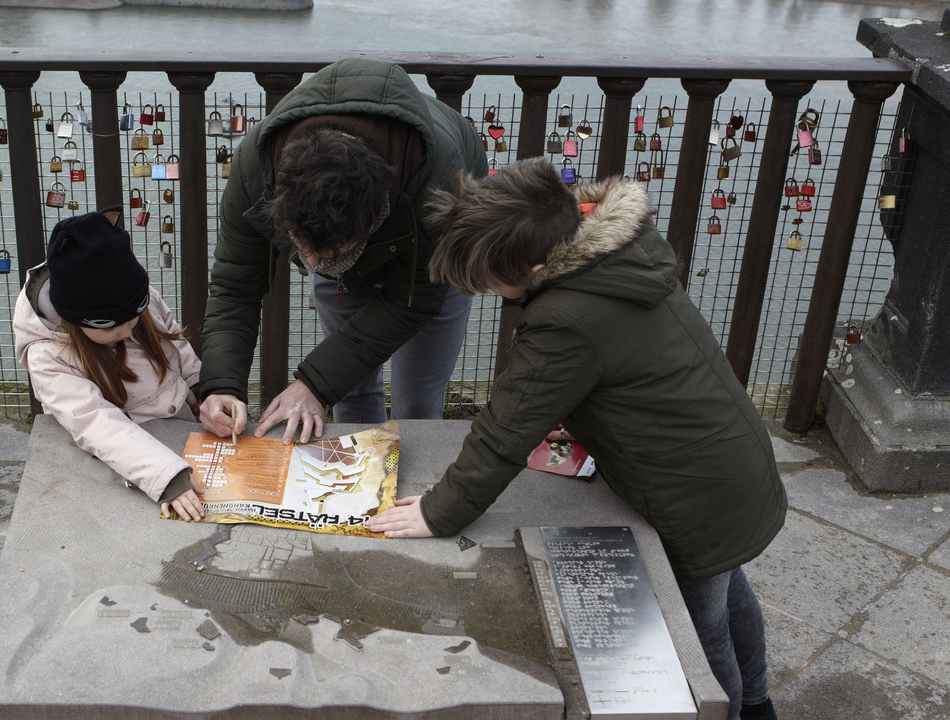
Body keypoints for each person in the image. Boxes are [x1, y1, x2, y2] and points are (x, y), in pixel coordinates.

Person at [367, 158, 785, 720]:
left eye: (490, 277)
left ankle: (736, 713)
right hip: (731, 466)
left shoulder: (566, 317)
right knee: (730, 597)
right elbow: (633, 370)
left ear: (537, 266)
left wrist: (441, 512)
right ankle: (760, 705)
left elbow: (504, 432)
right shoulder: (621, 256)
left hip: (694, 498)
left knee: (700, 639)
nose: (489, 290)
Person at [197, 58, 488, 444]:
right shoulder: (256, 168)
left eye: (331, 250)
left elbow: (413, 301)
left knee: (418, 399)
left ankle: (414, 495)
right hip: (367, 229)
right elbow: (236, 287)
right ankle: (357, 488)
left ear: (375, 217)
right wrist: (221, 385)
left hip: (437, 252)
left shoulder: (439, 183)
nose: (314, 263)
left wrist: (312, 384)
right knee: (349, 390)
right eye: (303, 247)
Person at [12, 209, 205, 522]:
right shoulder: (47, 354)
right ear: (77, 319)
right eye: (114, 327)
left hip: (177, 426)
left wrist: (199, 385)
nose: (128, 331)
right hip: (129, 459)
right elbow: (94, 422)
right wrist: (166, 476)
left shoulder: (132, 298)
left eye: (134, 318)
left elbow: (172, 338)